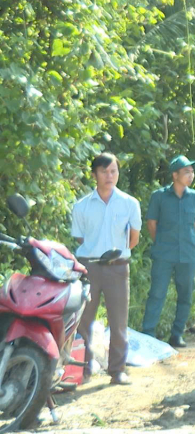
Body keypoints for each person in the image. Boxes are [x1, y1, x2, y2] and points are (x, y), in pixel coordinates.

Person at [71, 153, 143, 385]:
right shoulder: (81, 206)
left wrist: (116, 253)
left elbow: (133, 239)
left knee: (118, 321)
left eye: (113, 171)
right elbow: (81, 238)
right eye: (104, 171)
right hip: (88, 267)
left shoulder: (130, 203)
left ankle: (117, 370)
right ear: (94, 175)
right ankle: (82, 370)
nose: (109, 176)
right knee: (83, 321)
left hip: (117, 268)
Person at [141, 155, 195, 348]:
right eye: (186, 171)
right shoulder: (159, 196)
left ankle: (177, 335)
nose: (191, 175)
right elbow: (152, 223)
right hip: (164, 253)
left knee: (185, 294)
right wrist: (161, 241)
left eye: (192, 172)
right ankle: (148, 335)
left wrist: (186, 239)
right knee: (157, 293)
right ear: (175, 175)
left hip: (187, 253)